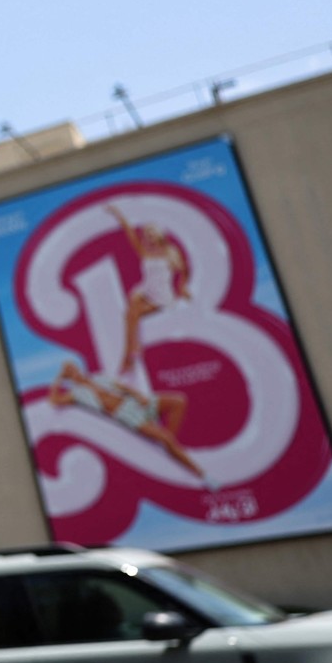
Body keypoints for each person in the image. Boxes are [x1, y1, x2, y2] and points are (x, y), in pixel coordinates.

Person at [47, 359, 213, 486]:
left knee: (178, 401)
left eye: (73, 368)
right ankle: (202, 474)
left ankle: (171, 447)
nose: (74, 372)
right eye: (69, 372)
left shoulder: (98, 378)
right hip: (126, 414)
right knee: (165, 439)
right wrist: (58, 378)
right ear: (68, 377)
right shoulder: (76, 393)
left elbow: (122, 387)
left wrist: (139, 396)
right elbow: (54, 400)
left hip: (132, 401)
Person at [106, 204, 190, 376]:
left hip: (161, 297)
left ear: (158, 234)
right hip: (146, 291)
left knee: (131, 314)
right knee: (132, 307)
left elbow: (183, 270)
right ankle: (132, 351)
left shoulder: (170, 252)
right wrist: (119, 215)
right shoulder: (144, 252)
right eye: (146, 234)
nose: (148, 237)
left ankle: (128, 357)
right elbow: (129, 233)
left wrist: (182, 288)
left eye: (151, 233)